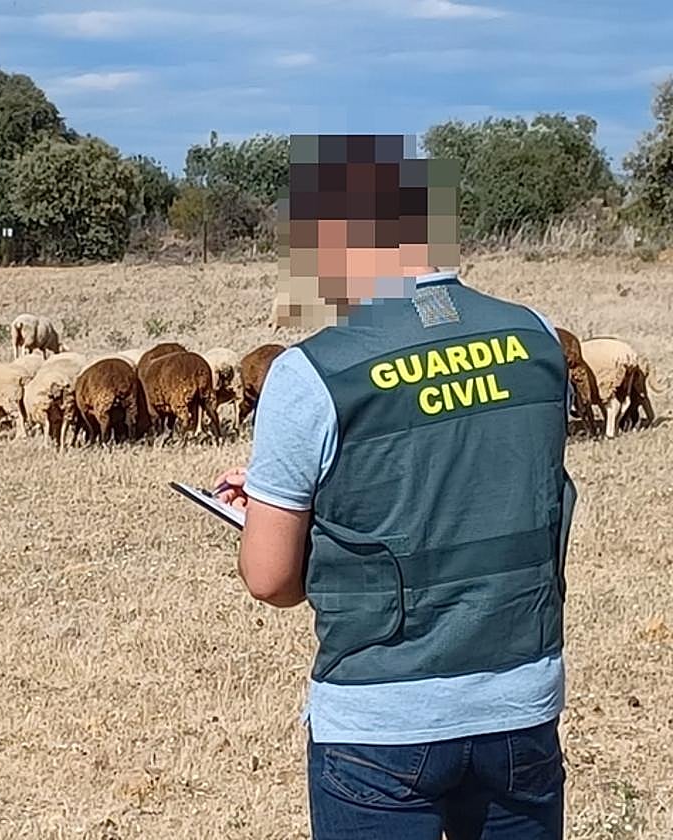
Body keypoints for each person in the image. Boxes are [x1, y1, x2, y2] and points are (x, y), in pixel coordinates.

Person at [214, 134, 576, 839]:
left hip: (382, 725)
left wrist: (277, 513)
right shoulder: (536, 340)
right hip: (521, 706)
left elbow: (271, 579)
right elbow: (485, 473)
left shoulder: (312, 372)